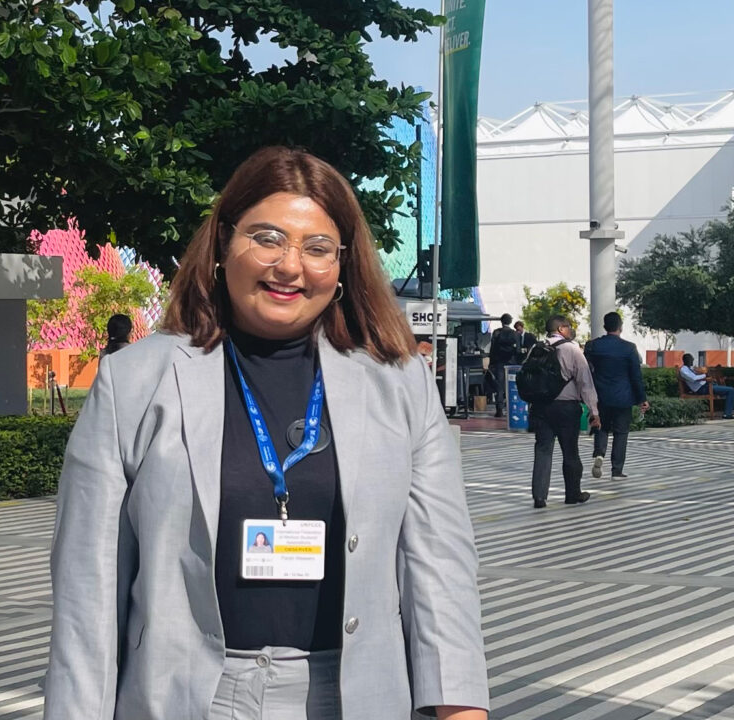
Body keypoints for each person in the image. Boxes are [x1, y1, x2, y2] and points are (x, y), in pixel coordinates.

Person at [44, 147, 489, 720]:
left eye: (317, 247)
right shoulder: (135, 381)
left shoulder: (399, 384)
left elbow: (441, 566)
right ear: (224, 244)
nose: (290, 265)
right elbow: (89, 589)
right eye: (267, 238)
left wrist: (460, 708)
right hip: (185, 695)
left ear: (344, 266)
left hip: (353, 693)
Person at [530, 315, 601, 508]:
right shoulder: (571, 348)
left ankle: (539, 496)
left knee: (543, 450)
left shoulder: (536, 348)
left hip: (541, 407)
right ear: (561, 329)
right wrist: (594, 411)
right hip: (566, 408)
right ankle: (572, 494)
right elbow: (585, 381)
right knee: (570, 451)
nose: (570, 330)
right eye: (568, 327)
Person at [584, 312, 648, 479]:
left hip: (600, 395)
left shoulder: (593, 346)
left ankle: (599, 453)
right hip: (623, 397)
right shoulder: (629, 348)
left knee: (601, 426)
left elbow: (586, 370)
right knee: (621, 432)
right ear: (620, 326)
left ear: (605, 327)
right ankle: (617, 470)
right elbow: (636, 376)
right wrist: (642, 399)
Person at [679, 353, 734, 419]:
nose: (693, 361)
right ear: (687, 360)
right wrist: (705, 375)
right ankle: (727, 414)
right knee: (730, 390)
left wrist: (701, 372)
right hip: (702, 388)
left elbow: (697, 375)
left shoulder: (689, 369)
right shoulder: (684, 370)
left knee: (726, 390)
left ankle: (726, 410)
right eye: (691, 359)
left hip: (706, 386)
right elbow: (694, 378)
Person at [486, 313, 517, 417]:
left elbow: (493, 348)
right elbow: (517, 350)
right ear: (510, 321)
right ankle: (512, 407)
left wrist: (491, 363)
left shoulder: (496, 332)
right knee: (512, 385)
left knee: (500, 386)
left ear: (501, 321)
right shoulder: (514, 333)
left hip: (499, 362)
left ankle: (499, 409)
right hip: (511, 363)